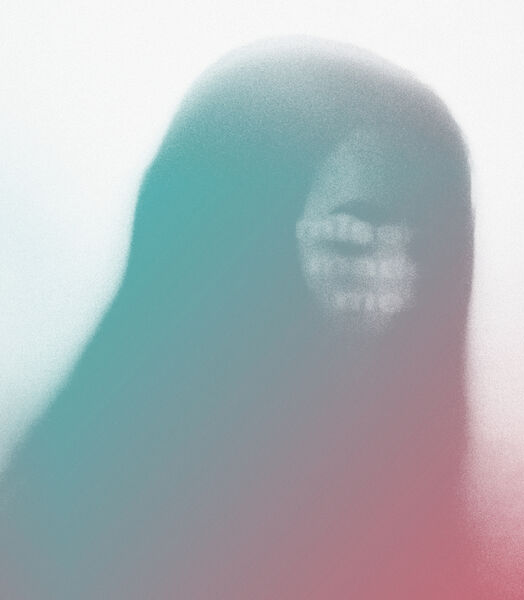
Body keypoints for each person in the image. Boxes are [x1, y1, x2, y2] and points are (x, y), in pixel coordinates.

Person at [1, 37, 474, 599]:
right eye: (350, 242)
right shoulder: (49, 533)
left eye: (427, 248)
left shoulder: (442, 531)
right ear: (226, 251)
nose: (397, 289)